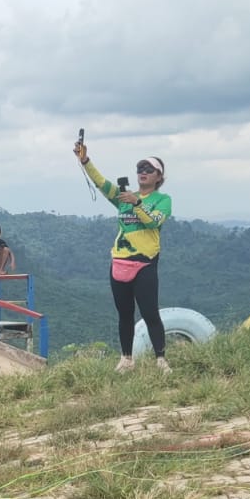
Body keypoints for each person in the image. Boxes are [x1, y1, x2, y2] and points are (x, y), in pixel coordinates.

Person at [74, 141, 173, 372]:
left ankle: (161, 359)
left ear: (159, 176)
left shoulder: (162, 200)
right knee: (124, 314)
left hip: (145, 262)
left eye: (149, 170)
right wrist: (85, 160)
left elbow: (154, 221)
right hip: (119, 260)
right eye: (140, 169)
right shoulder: (122, 198)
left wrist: (137, 203)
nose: (143, 173)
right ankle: (126, 359)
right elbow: (101, 183)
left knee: (150, 312)